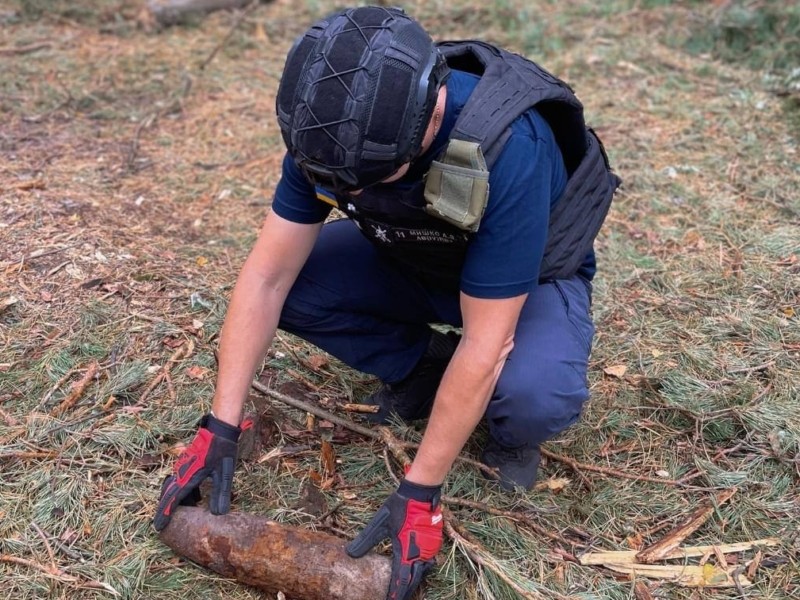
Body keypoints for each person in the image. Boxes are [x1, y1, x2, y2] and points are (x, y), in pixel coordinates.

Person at [153, 6, 620, 599]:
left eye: (373, 179)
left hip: (524, 279)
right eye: (340, 185)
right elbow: (267, 276)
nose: (351, 194)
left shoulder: (507, 146)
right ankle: (424, 368)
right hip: (413, 254)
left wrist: (420, 491)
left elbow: (487, 338)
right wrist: (220, 421)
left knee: (536, 394)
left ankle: (507, 431)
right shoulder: (328, 128)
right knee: (296, 287)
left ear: (430, 121)